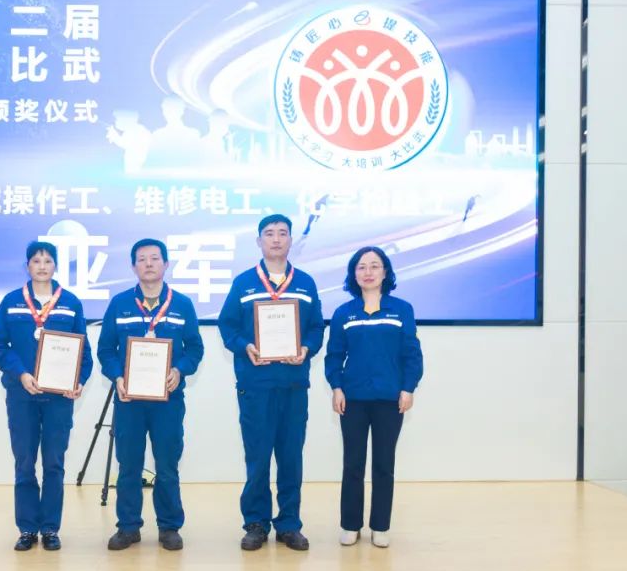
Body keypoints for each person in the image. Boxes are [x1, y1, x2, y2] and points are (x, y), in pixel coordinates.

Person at [218, 214, 325, 551]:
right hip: (256, 385)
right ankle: (256, 523)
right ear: (259, 241)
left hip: (293, 385)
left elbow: (316, 328)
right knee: (258, 457)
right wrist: (245, 346)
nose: (276, 239)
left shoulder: (305, 283)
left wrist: (306, 348)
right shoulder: (244, 283)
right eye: (269, 233)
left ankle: (289, 524)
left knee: (291, 458)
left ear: (291, 240)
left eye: (282, 233)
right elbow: (227, 326)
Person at [97, 238, 204, 551]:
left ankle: (169, 527)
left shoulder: (182, 304)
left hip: (168, 401)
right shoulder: (119, 304)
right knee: (128, 466)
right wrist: (117, 376)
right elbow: (105, 349)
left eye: (154, 258)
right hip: (129, 401)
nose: (148, 264)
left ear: (165, 264)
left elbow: (195, 348)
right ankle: (128, 527)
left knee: (167, 465)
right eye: (142, 259)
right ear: (133, 266)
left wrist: (179, 370)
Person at [0, 240, 93, 552]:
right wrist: (21, 373)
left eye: (48, 260)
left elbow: (83, 351)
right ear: (27, 266)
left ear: (55, 266)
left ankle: (49, 528)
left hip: (59, 398)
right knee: (24, 462)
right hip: (21, 394)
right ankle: (26, 529)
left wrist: (79, 381)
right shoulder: (11, 302)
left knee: (53, 463)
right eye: (36, 261)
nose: (42, 266)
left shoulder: (70, 303)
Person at [324, 246, 423, 549]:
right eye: (361, 267)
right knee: (352, 463)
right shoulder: (344, 313)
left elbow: (412, 354)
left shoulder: (401, 310)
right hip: (353, 399)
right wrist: (336, 387)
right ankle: (350, 525)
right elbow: (334, 356)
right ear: (354, 274)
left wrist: (408, 388)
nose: (368, 272)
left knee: (384, 464)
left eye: (374, 266)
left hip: (390, 399)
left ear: (385, 272)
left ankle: (380, 526)